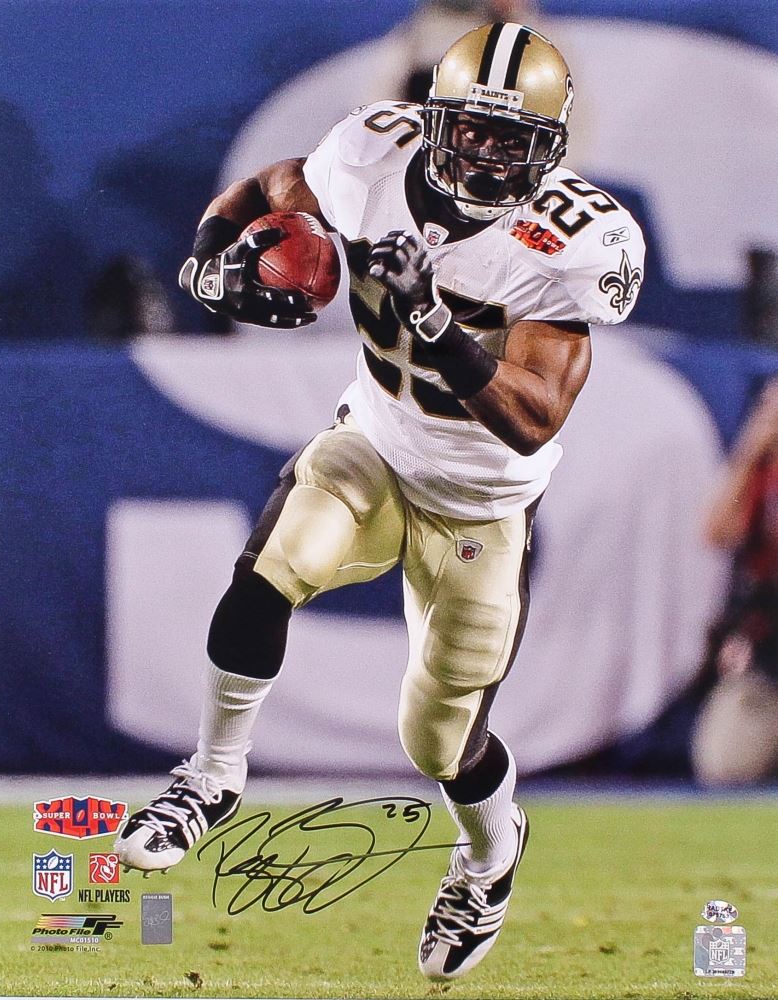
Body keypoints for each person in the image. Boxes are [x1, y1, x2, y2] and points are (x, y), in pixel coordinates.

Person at [114, 22, 645, 980]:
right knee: (269, 574)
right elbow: (271, 186)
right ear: (434, 120)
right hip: (376, 443)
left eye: (512, 140)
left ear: (551, 149)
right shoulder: (370, 152)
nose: (486, 156)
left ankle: (489, 856)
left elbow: (532, 417)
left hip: (481, 500)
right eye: (471, 130)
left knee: (438, 739)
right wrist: (207, 261)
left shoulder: (575, 239)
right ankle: (212, 775)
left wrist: (434, 322)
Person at [692, 375, 778, 784]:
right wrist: (752, 447)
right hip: (767, 651)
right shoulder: (762, 472)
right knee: (725, 766)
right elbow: (717, 532)